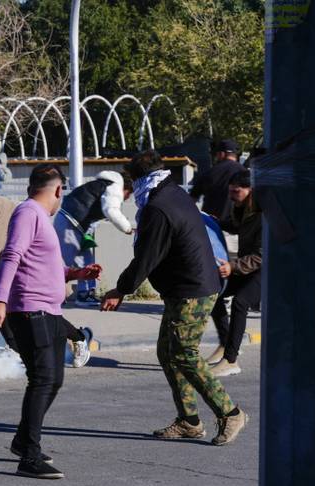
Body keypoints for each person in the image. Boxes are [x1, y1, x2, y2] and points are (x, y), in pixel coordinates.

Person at [101, 150, 249, 446]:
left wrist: (120, 289)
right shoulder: (172, 192)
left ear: (138, 178)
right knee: (168, 353)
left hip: (192, 289)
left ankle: (230, 412)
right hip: (185, 286)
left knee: (183, 353)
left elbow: (146, 258)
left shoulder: (158, 207)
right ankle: (189, 421)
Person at [0, 165, 101, 480]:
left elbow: (42, 263)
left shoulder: (40, 218)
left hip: (49, 311)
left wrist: (76, 274)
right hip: (29, 311)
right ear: (58, 190)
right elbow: (11, 255)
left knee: (54, 380)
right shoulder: (28, 213)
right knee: (41, 380)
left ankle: (24, 440)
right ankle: (29, 455)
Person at [0, 177, 94, 368]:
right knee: (11, 305)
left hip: (22, 257)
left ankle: (78, 338)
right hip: (2, 260)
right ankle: (17, 348)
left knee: (28, 307)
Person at [207, 169, 262, 377]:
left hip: (266, 271)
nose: (231, 196)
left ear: (250, 190)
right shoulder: (242, 208)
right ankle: (225, 344)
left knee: (241, 302)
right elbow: (237, 226)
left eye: (236, 192)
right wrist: (216, 222)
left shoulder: (263, 213)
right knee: (215, 292)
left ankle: (231, 360)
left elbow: (262, 255)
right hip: (247, 266)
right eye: (230, 191)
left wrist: (233, 266)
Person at [56, 170, 134, 306]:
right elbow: (111, 211)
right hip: (71, 223)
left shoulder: (101, 185)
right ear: (125, 189)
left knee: (86, 261)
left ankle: (84, 294)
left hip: (75, 224)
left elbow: (96, 211)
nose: (127, 198)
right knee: (63, 263)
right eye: (129, 194)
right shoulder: (114, 186)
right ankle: (51, 294)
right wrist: (126, 227)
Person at [190, 139, 244, 221]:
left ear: (222, 154)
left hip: (211, 224)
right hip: (235, 225)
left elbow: (192, 199)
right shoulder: (244, 172)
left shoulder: (210, 172)